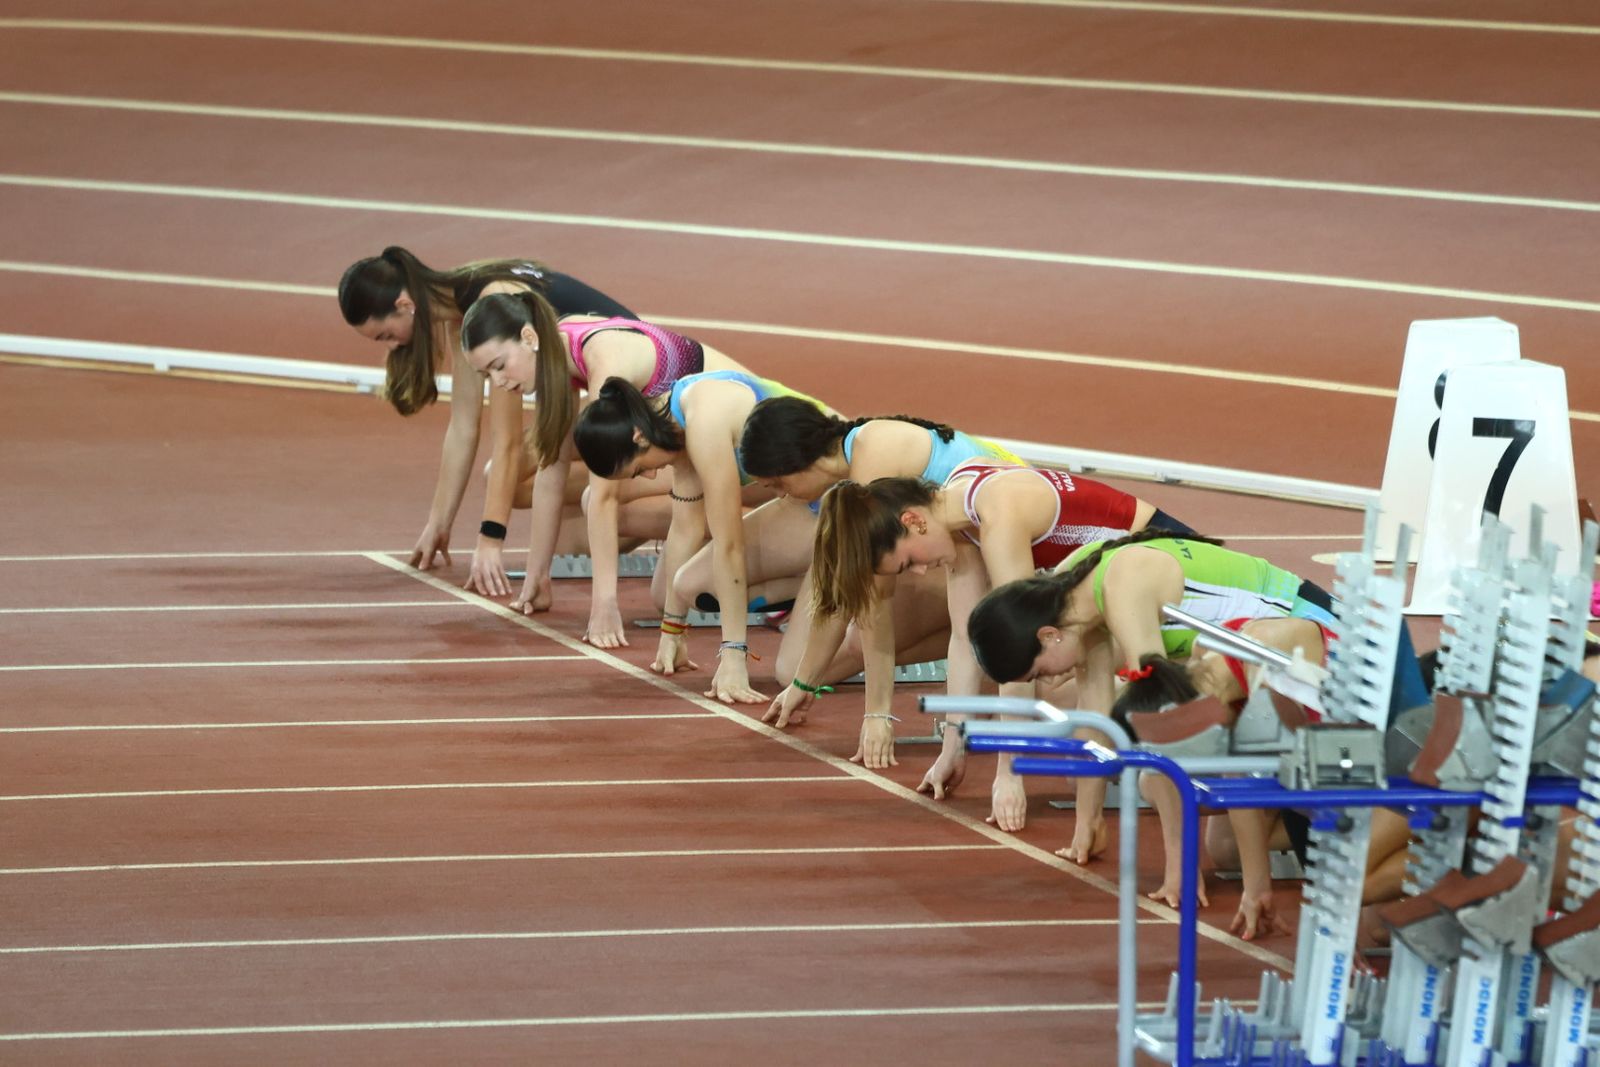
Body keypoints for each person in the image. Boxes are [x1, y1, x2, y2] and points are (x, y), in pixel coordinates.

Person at [965, 531, 1356, 888]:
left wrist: (1180, 870)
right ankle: (1327, 823)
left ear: (1048, 636)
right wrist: (1088, 824)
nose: (1049, 682)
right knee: (1224, 848)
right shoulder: (1073, 593)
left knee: (1156, 776)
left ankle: (1355, 817)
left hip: (1319, 645)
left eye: (1039, 672)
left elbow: (1167, 723)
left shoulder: (1122, 588)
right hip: (1252, 681)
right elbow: (1096, 718)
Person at [810, 472, 1192, 832]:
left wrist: (1010, 773)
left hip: (1164, 574)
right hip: (1110, 599)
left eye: (910, 561)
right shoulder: (959, 512)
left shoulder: (998, 514)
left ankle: (1178, 714)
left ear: (913, 521)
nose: (922, 572)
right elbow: (963, 640)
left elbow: (1021, 641)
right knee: (1040, 694)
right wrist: (952, 746)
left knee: (1039, 685)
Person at [735, 399, 1021, 770]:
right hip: (964, 550)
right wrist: (804, 684)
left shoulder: (870, 464)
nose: (781, 495)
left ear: (798, 461)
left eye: (778, 484)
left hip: (1006, 545)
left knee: (859, 637)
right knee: (792, 668)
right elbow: (843, 588)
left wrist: (878, 715)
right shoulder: (847, 481)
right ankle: (980, 667)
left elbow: (874, 601)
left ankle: (988, 670)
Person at [460, 293, 759, 647]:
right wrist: (536, 578)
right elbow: (550, 467)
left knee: (598, 500)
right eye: (485, 374)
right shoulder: (555, 350)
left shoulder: (602, 361)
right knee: (658, 585)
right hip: (691, 451)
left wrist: (604, 604)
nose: (497, 381)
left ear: (528, 338)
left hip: (746, 441)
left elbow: (604, 497)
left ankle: (761, 541)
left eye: (498, 365)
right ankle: (723, 538)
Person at [337, 247, 650, 579]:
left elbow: (508, 442)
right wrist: (438, 523)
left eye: (386, 335)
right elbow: (462, 427)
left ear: (404, 304)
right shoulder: (462, 310)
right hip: (608, 395)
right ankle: (637, 502)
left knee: (534, 480)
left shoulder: (492, 302)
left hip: (643, 392)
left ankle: (675, 502)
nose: (392, 346)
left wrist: (491, 537)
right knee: (565, 544)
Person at [574, 373, 832, 702]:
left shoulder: (704, 425)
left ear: (638, 437)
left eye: (639, 469)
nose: (652, 476)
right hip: (799, 497)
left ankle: (845, 582)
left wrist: (734, 655)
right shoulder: (673, 420)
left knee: (789, 670)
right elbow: (685, 528)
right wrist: (672, 632)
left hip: (835, 494)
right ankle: (817, 583)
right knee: (683, 587)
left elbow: (729, 544)